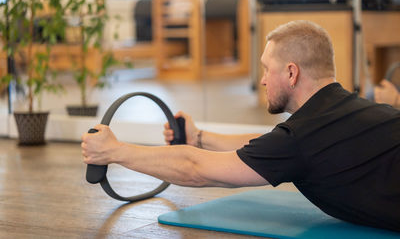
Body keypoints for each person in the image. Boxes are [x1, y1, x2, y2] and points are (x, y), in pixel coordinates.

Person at [81, 20, 400, 232]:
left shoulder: (301, 138)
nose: (262, 80)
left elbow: (196, 170)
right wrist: (199, 137)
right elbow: (269, 143)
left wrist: (114, 151)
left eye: (266, 69)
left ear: (291, 73)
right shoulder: (346, 111)